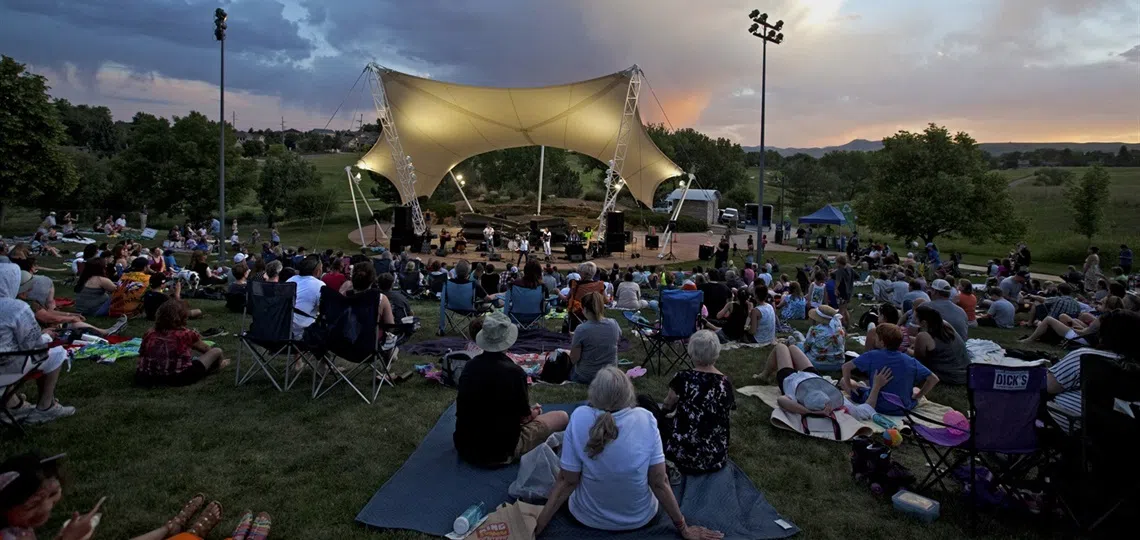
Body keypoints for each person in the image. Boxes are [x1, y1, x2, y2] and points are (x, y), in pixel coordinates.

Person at [534, 367, 723, 539]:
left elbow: (568, 481)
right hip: (639, 517)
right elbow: (659, 482)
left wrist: (538, 526)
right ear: (628, 394)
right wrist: (683, 527)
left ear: (594, 394)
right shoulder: (645, 419)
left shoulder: (579, 417)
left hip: (587, 517)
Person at [454, 312, 569, 467]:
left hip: (465, 446)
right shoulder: (514, 373)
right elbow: (524, 418)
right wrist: (534, 413)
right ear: (507, 340)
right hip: (500, 452)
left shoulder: (469, 366)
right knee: (561, 417)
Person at [640, 330, 735, 473]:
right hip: (715, 456)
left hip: (682, 454)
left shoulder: (682, 377)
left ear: (692, 352)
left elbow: (667, 404)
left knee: (645, 403)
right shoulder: (725, 383)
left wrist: (662, 415)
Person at [0, 264, 75, 424]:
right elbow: (34, 345)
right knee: (57, 353)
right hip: (5, 368)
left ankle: (12, 404)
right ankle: (46, 407)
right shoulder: (16, 308)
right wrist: (46, 336)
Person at [1045, 309, 1139, 433]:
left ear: (1104, 334)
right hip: (1121, 437)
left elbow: (1048, 387)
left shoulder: (1089, 358)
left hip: (1076, 429)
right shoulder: (1133, 367)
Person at [841, 323, 939, 414]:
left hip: (876, 404)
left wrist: (849, 385)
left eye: (876, 337)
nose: (874, 339)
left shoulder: (872, 355)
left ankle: (857, 387)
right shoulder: (910, 361)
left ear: (882, 342)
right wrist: (918, 396)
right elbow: (933, 379)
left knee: (843, 381)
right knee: (916, 389)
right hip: (902, 408)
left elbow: (845, 367)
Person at [135, 300, 228, 387]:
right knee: (216, 351)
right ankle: (218, 366)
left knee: (190, 354)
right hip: (177, 378)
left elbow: (142, 353)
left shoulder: (150, 333)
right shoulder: (185, 334)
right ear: (182, 317)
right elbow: (207, 349)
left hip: (145, 377)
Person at [762, 341, 845, 415]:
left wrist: (811, 412)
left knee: (780, 346)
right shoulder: (826, 399)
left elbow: (781, 400)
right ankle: (789, 349)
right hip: (812, 376)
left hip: (789, 378)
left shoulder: (795, 399)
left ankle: (764, 375)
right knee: (793, 347)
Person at [570, 292, 621, 384]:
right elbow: (616, 340)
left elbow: (574, 359)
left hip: (586, 376)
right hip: (610, 375)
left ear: (585, 309)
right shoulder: (614, 324)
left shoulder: (581, 329)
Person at [911, 305, 968, 385]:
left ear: (923, 322)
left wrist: (907, 349)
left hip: (950, 377)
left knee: (906, 353)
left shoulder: (923, 336)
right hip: (966, 373)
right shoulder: (944, 325)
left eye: (915, 318)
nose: (914, 321)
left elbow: (918, 361)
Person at [286, 255, 325, 339]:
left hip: (282, 327)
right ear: (318, 271)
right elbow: (324, 310)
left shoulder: (291, 279)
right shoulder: (320, 285)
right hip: (301, 331)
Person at [834, 255, 857, 328]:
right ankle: (848, 324)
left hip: (842, 292)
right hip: (849, 292)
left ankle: (840, 327)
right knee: (845, 309)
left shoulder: (839, 271)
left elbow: (838, 281)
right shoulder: (850, 269)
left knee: (841, 311)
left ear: (839, 263)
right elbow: (857, 276)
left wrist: (835, 289)